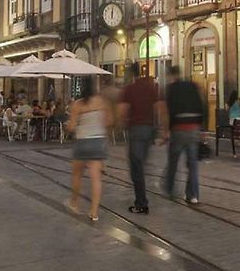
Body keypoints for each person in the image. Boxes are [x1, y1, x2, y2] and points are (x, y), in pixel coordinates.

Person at [66, 77, 113, 221]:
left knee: (77, 175)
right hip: (98, 142)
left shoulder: (77, 104)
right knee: (96, 178)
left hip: (82, 142)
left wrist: (68, 127)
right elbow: (109, 121)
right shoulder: (102, 101)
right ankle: (94, 212)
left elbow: (72, 126)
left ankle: (74, 203)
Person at [119, 62, 160, 214]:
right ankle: (141, 196)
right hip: (149, 130)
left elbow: (123, 110)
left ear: (130, 74)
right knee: (140, 164)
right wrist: (160, 129)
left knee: (136, 168)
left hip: (136, 130)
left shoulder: (129, 89)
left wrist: (121, 125)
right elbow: (158, 107)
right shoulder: (151, 87)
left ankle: (141, 203)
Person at [162, 66, 205, 204]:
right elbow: (202, 106)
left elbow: (168, 111)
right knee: (192, 164)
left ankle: (170, 189)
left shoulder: (171, 89)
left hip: (178, 129)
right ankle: (192, 195)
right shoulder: (193, 85)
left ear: (170, 75)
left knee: (173, 161)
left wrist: (166, 131)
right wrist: (202, 129)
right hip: (194, 128)